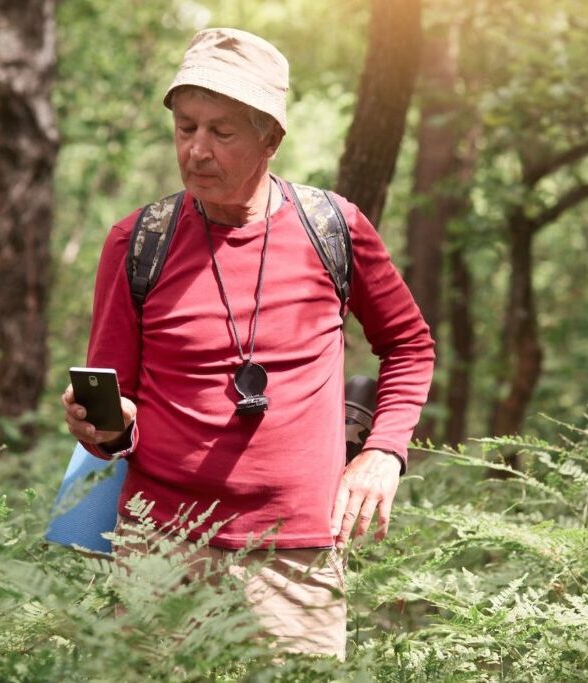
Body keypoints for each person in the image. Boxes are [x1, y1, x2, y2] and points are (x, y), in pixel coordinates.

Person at [61, 27, 434, 660]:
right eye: (186, 127)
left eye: (222, 132)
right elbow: (111, 412)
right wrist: (99, 425)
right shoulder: (137, 241)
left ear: (271, 138)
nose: (197, 151)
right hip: (160, 552)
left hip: (297, 560)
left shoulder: (334, 229)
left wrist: (383, 454)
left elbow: (409, 345)